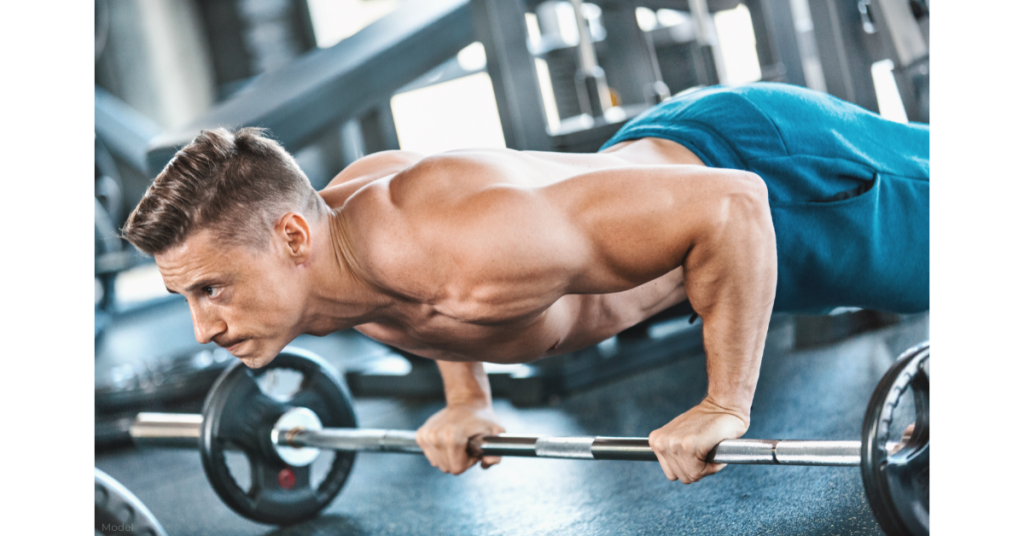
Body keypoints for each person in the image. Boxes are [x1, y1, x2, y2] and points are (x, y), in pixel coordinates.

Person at [121, 82, 929, 485]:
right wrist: (467, 398)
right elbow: (414, 300)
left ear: (291, 236)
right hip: (694, 203)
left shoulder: (468, 241)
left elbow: (734, 204)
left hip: (774, 176)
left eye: (212, 290)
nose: (202, 330)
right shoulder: (328, 258)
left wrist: (726, 402)